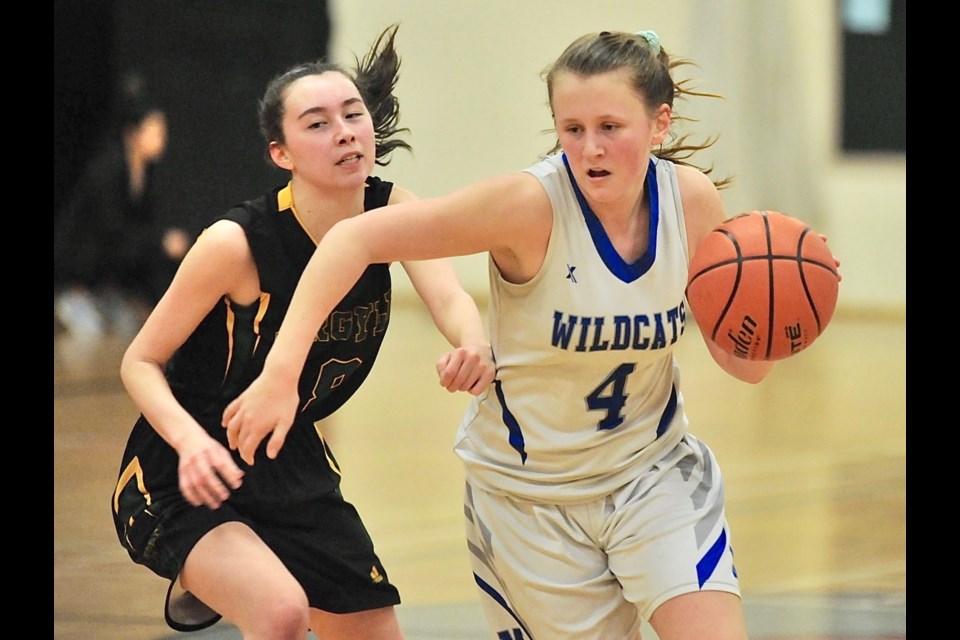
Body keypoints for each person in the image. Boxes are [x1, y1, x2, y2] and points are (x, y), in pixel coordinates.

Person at [222, 29, 842, 640]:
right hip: (530, 499)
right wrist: (280, 374)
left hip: (652, 475)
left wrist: (779, 319)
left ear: (660, 125)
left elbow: (744, 367)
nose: (590, 148)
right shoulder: (527, 205)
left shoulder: (691, 202)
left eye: (610, 127)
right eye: (572, 129)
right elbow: (354, 239)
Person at [109, 24, 495, 640]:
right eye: (317, 123)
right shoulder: (234, 244)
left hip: (290, 457)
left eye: (352, 114)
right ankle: (206, 565)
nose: (344, 131)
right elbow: (140, 362)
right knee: (282, 613)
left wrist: (471, 343)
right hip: (185, 466)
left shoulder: (391, 210)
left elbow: (449, 295)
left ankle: (235, 561)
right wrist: (191, 443)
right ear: (280, 154)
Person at [54, 73, 191, 338]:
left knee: (129, 327)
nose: (162, 138)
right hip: (78, 272)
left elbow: (139, 231)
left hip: (109, 279)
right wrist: (161, 241)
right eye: (155, 130)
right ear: (133, 133)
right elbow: (111, 231)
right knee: (90, 334)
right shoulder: (108, 171)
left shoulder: (145, 174)